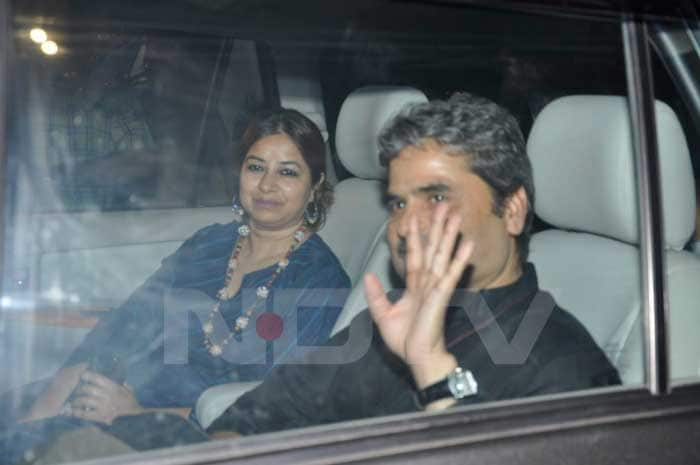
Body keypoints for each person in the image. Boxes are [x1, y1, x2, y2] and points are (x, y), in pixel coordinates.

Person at [14, 93, 620, 462]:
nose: (408, 225)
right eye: (400, 203)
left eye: (437, 197)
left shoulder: (569, 374)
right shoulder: (384, 327)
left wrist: (433, 368)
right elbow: (266, 409)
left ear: (511, 210)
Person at [0, 108, 350, 463]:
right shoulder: (208, 245)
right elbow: (124, 323)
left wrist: (133, 413)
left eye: (287, 172)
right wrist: (47, 405)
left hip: (193, 434)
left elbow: (272, 407)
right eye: (255, 167)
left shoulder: (318, 282)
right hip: (117, 396)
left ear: (315, 187)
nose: (266, 185)